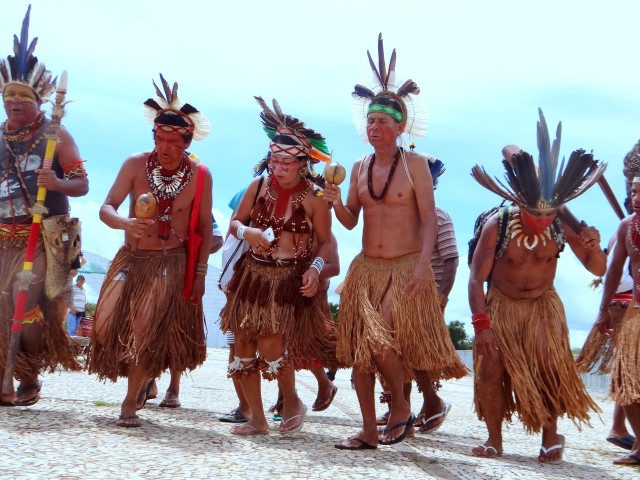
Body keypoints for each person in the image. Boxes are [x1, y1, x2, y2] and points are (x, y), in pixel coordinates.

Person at [324, 34, 467, 450]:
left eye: (383, 122)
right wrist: (335, 203)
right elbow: (351, 222)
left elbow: (427, 222)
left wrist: (424, 269)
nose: (375, 128)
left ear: (400, 126)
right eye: (370, 121)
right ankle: (369, 431)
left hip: (404, 268)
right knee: (359, 358)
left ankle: (402, 408)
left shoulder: (417, 165)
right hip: (367, 268)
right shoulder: (358, 166)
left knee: (377, 342)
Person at [468, 110, 606, 463]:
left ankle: (550, 436)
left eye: (549, 215)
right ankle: (494, 438)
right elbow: (475, 279)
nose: (542, 221)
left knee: (549, 366)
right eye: (536, 215)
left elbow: (597, 267)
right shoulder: (497, 226)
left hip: (543, 306)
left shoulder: (560, 224)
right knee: (490, 369)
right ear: (520, 203)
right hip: (501, 304)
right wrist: (482, 326)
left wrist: (594, 247)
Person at [87, 75, 212, 427]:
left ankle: (130, 399)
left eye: (174, 140)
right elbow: (107, 207)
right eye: (160, 137)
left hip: (169, 261)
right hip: (131, 257)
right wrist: (125, 224)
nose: (165, 146)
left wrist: (200, 274)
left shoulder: (200, 176)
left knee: (144, 325)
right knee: (104, 322)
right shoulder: (134, 164)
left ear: (187, 142)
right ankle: (143, 378)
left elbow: (204, 229)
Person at [220, 97, 337, 436]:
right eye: (274, 157)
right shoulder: (258, 186)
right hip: (252, 276)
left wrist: (315, 268)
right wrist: (248, 231)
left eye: (287, 160)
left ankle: (292, 400)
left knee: (271, 344)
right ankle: (257, 418)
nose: (279, 165)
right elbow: (234, 223)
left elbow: (326, 242)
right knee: (242, 345)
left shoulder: (315, 198)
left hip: (287, 279)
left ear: (304, 163)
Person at [0, 7, 89, 406]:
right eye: (8, 96)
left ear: (39, 101)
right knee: (2, 303)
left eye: (23, 96)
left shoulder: (56, 135)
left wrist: (56, 182)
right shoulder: (1, 138)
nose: (14, 102)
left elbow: (82, 183)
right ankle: (6, 370)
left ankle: (29, 376)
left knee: (26, 298)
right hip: (3, 234)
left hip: (42, 235)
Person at [377, 155, 458, 434]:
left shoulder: (439, 217)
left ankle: (429, 404)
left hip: (426, 297)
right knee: (400, 352)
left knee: (414, 355)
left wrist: (441, 298)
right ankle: (402, 409)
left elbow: (451, 260)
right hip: (399, 293)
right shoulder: (401, 216)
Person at [577, 228, 636, 452]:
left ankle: (620, 428)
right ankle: (622, 430)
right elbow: (615, 275)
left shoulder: (624, 230)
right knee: (630, 372)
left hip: (622, 305)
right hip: (628, 307)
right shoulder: (626, 230)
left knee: (630, 372)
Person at [596, 176, 640, 465]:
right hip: (636, 312)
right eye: (634, 191)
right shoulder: (627, 227)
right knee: (626, 380)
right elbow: (613, 272)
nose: (636, 196)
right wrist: (603, 311)